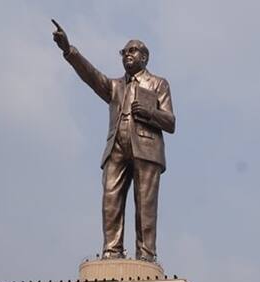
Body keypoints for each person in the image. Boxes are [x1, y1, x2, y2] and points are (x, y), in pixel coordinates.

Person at [52, 23, 175, 262]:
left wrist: (150, 113)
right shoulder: (115, 86)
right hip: (116, 147)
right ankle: (111, 250)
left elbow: (171, 122)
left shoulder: (159, 84)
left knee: (145, 205)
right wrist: (69, 50)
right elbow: (91, 76)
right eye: (124, 51)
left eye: (133, 50)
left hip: (147, 148)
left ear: (145, 57)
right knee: (110, 198)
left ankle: (146, 256)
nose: (127, 54)